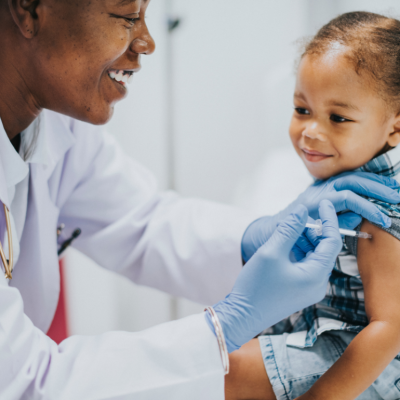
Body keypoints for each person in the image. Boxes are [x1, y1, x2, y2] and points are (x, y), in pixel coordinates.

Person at [0, 1, 399, 399]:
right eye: (127, 16)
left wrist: (250, 239)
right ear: (29, 9)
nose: (147, 41)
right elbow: (25, 382)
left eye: (338, 117)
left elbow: (141, 222)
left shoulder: (58, 127)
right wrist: (225, 325)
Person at [226, 12, 400, 400]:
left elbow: (390, 328)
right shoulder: (344, 173)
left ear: (395, 125)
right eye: (302, 109)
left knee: (225, 370)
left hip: (370, 362)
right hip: (326, 331)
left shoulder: (377, 207)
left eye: (337, 117)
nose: (311, 131)